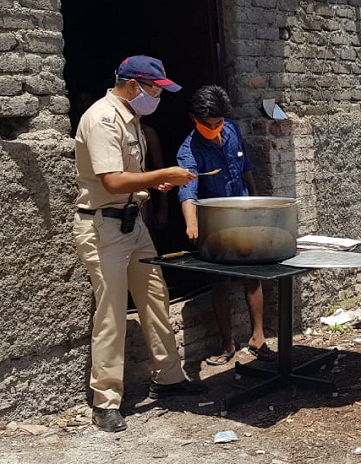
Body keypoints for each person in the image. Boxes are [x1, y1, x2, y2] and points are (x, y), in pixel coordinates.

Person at [73, 55, 208, 433]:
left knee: (155, 297)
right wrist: (162, 173)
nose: (157, 97)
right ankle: (106, 401)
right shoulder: (102, 119)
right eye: (154, 90)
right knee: (112, 313)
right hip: (105, 227)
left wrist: (153, 182)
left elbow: (129, 178)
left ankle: (168, 379)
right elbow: (112, 183)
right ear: (134, 86)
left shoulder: (130, 118)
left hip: (134, 224)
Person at [176, 85, 275, 366]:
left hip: (245, 216)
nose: (214, 128)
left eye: (218, 122)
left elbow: (246, 169)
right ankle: (227, 344)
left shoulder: (231, 131)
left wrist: (256, 202)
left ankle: (258, 338)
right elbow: (187, 191)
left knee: (252, 277)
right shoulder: (189, 151)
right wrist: (191, 224)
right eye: (208, 125)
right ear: (193, 119)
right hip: (216, 226)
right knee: (219, 283)